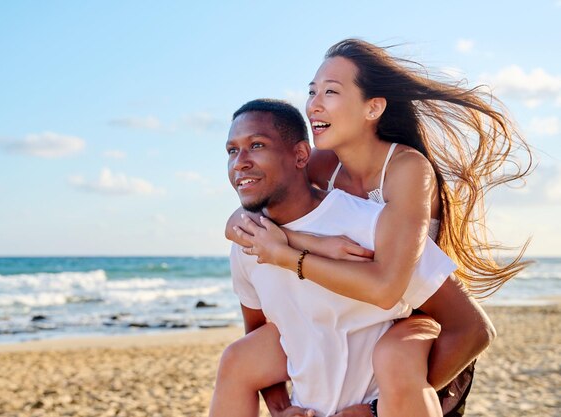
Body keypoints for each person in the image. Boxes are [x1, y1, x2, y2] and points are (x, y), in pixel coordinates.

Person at [211, 40, 532, 417]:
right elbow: (260, 197)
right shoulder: (320, 163)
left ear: (373, 107)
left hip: (416, 318)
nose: (314, 103)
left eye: (331, 91)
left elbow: (387, 287)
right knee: (238, 359)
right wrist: (309, 242)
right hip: (354, 310)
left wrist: (287, 254)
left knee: (394, 358)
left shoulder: (406, 170)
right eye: (312, 91)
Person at [216, 100, 467, 417]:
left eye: (256, 145)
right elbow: (257, 336)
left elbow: (468, 327)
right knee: (233, 359)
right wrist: (281, 407)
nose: (240, 162)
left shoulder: (370, 227)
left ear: (300, 155)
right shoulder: (247, 241)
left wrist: (379, 408)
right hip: (312, 409)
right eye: (231, 151)